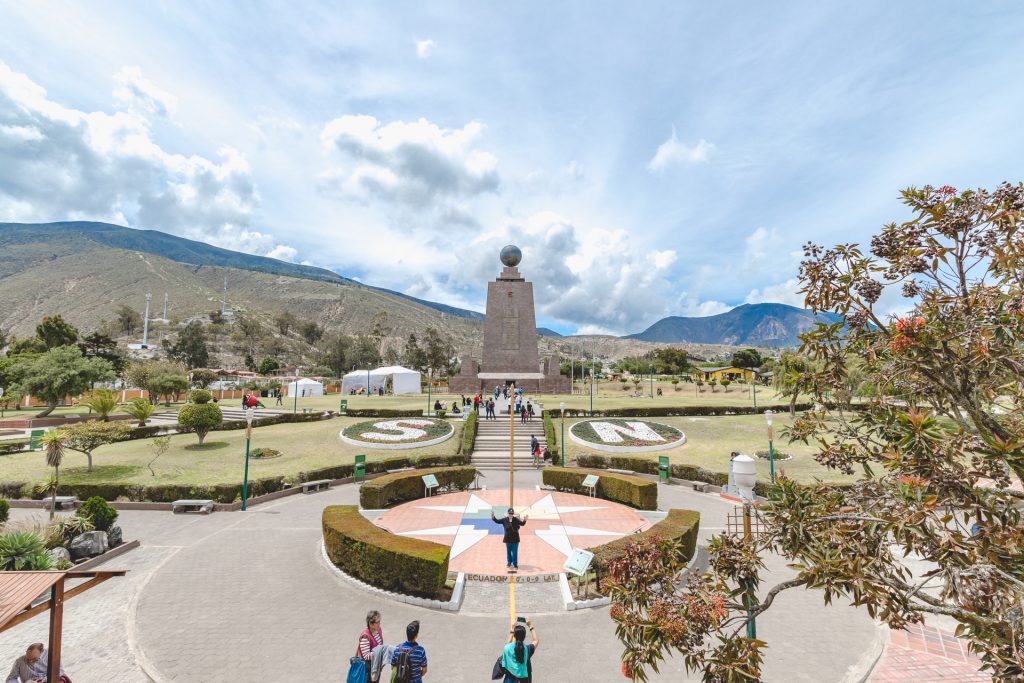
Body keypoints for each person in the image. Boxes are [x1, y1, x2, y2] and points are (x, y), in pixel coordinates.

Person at [500, 618, 539, 683]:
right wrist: (530, 625)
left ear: (514, 636)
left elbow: (507, 644)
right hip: (524, 679)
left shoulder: (507, 648)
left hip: (510, 679)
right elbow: (536, 641)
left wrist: (512, 629)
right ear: (524, 637)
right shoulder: (527, 649)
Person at [357, 610, 384, 682]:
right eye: (377, 622)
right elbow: (366, 656)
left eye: (379, 621)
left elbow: (380, 644)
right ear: (371, 624)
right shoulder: (365, 637)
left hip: (376, 665)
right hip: (369, 669)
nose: (379, 623)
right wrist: (380, 652)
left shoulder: (378, 630)